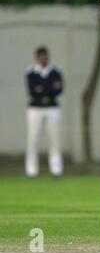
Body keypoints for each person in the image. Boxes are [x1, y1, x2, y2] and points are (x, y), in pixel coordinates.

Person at [25, 47, 64, 177]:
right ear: (37, 57)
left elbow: (59, 90)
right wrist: (49, 88)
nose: (43, 59)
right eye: (41, 56)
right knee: (33, 139)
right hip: (35, 108)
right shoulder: (31, 72)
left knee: (54, 139)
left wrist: (42, 89)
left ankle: (56, 169)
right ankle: (31, 170)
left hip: (52, 108)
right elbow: (32, 91)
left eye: (45, 56)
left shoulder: (55, 71)